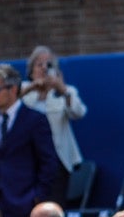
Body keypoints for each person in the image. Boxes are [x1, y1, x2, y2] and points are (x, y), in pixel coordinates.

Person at [0, 63, 61, 217]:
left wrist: (36, 198)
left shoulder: (34, 120)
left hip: (24, 204)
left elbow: (48, 162)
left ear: (13, 89)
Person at [21, 47, 88, 200]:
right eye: (39, 64)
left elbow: (78, 113)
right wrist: (33, 88)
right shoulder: (24, 90)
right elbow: (10, 107)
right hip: (28, 160)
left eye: (49, 65)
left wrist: (62, 89)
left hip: (56, 161)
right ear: (31, 71)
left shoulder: (66, 91)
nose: (44, 68)